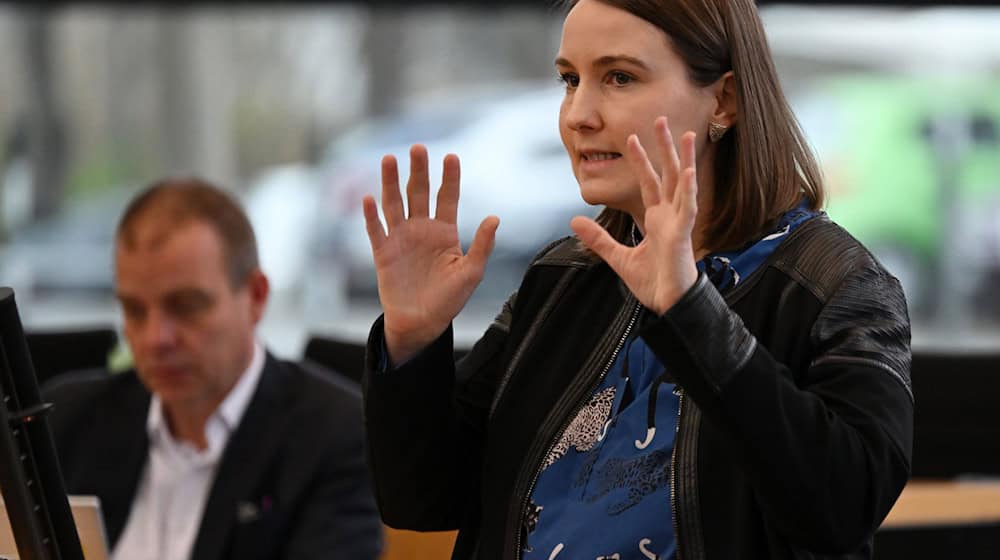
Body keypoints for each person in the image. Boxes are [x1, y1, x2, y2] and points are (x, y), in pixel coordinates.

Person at [360, 0, 913, 559]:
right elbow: (422, 501)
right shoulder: (564, 276)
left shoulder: (838, 284)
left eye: (619, 77)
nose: (579, 113)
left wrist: (689, 309)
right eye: (569, 80)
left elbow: (841, 511)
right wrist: (414, 342)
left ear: (724, 100)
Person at [45, 178, 383, 560]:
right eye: (135, 310)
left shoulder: (334, 437)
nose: (156, 338)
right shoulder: (68, 420)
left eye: (186, 306)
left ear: (256, 297)